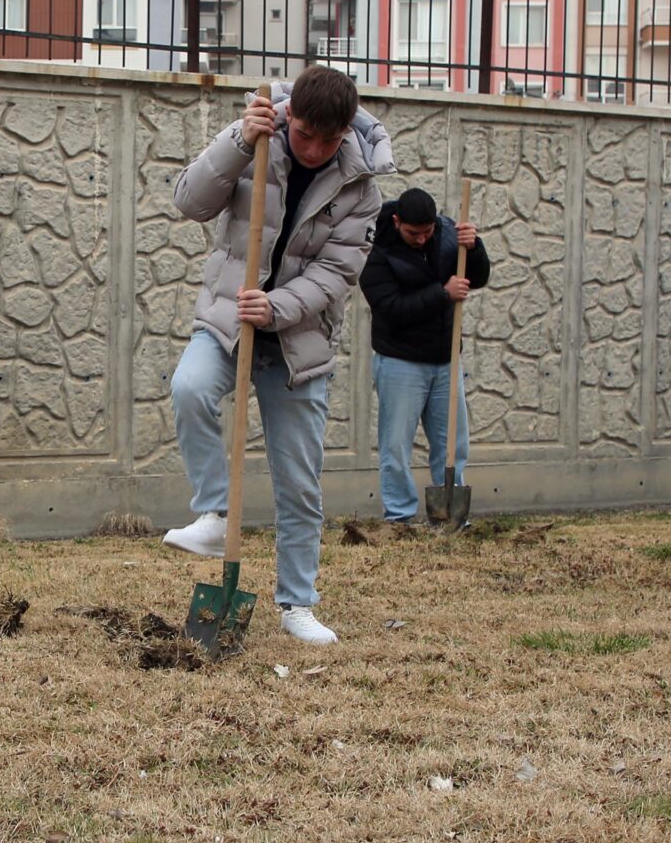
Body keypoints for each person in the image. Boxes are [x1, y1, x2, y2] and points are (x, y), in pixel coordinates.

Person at [161, 67, 388, 646]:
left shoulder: (361, 185)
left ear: (345, 135)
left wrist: (280, 306)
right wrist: (237, 140)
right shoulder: (256, 136)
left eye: (328, 141)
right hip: (229, 321)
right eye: (305, 135)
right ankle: (214, 514)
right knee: (190, 388)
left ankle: (298, 604)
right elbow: (190, 202)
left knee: (298, 481)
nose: (313, 150)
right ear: (290, 117)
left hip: (297, 341)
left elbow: (338, 273)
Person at [360, 186, 489, 523]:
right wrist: (442, 294)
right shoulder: (376, 253)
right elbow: (392, 309)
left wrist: (474, 249)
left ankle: (450, 514)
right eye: (413, 233)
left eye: (427, 232)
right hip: (400, 362)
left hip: (446, 360)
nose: (421, 239)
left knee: (452, 446)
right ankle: (400, 517)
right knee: (396, 447)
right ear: (397, 221)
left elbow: (479, 276)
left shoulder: (447, 234)